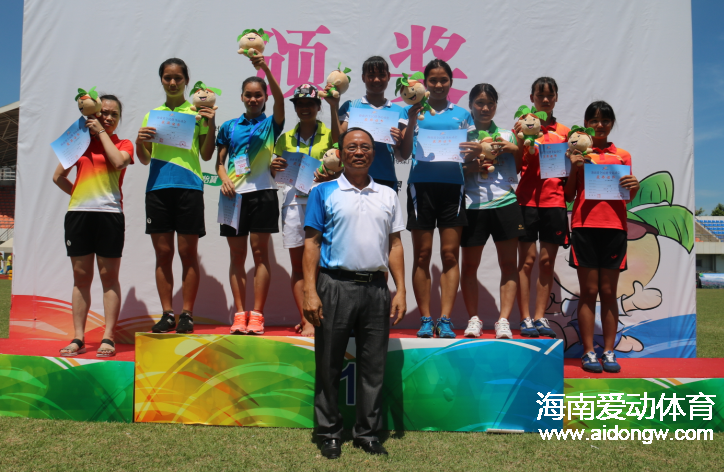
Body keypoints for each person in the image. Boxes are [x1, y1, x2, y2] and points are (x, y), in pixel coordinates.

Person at [303, 128, 406, 459]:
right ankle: (329, 431)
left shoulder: (388, 194)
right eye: (351, 147)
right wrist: (310, 290)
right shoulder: (323, 192)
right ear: (341, 153)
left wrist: (400, 289)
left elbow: (394, 245)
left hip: (376, 288)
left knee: (373, 365)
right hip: (334, 286)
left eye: (364, 147)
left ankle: (367, 432)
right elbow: (312, 243)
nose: (358, 152)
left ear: (373, 153)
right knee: (329, 362)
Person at [136, 58, 217, 334]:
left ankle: (187, 314)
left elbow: (206, 154)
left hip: (189, 187)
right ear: (161, 80)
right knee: (163, 253)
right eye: (167, 77)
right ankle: (167, 313)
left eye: (178, 78)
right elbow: (144, 159)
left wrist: (211, 122)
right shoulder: (153, 115)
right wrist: (140, 141)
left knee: (187, 252)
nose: (172, 82)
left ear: (186, 81)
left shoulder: (196, 111)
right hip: (157, 188)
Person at [399, 59, 476, 338]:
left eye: (444, 80)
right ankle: (424, 318)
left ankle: (445, 319)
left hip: (453, 188)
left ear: (451, 83)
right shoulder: (413, 112)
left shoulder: (463, 115)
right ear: (425, 83)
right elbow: (404, 154)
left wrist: (473, 152)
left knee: (449, 255)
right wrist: (410, 119)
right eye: (433, 80)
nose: (439, 85)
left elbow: (469, 154)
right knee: (421, 255)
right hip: (421, 188)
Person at [53, 95, 133, 357]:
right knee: (81, 278)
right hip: (79, 216)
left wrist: (101, 134)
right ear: (94, 114)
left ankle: (108, 337)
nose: (108, 118)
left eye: (114, 115)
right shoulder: (79, 144)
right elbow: (58, 177)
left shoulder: (124, 143)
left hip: (110, 215)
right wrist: (81, 195)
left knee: (109, 278)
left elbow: (119, 162)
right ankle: (78, 337)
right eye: (104, 113)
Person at [564, 101, 639, 373]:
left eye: (605, 120)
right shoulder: (577, 153)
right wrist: (574, 167)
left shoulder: (622, 156)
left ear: (611, 123)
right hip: (584, 227)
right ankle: (588, 352)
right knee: (589, 292)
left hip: (615, 229)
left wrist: (635, 185)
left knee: (608, 293)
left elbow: (628, 195)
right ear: (586, 124)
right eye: (594, 120)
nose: (599, 125)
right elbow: (569, 196)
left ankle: (608, 351)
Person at [216, 55, 284, 335]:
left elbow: (281, 100)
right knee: (236, 257)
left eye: (259, 95)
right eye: (249, 95)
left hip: (264, 194)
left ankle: (257, 315)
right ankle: (239, 313)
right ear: (242, 97)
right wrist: (224, 181)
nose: (254, 99)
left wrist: (265, 68)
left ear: (265, 97)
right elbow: (219, 162)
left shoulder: (271, 124)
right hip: (233, 197)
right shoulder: (229, 126)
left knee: (260, 255)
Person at [270, 83, 340, 337]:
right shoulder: (285, 138)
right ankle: (307, 319)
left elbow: (342, 163)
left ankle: (325, 317)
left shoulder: (330, 135)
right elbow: (275, 173)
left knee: (325, 266)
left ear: (318, 106)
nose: (304, 108)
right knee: (299, 267)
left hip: (324, 203)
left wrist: (330, 174)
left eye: (310, 103)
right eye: (300, 104)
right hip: (293, 203)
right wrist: (274, 166)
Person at [459, 84, 526, 338]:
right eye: (479, 103)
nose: (485, 108)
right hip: (472, 205)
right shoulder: (463, 135)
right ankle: (473, 319)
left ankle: (504, 321)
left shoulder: (508, 135)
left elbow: (518, 169)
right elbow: (456, 172)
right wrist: (470, 167)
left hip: (505, 203)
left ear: (496, 105)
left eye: (490, 103)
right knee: (470, 266)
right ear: (471, 105)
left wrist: (515, 149)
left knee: (509, 264)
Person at [515, 77, 570, 339]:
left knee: (547, 262)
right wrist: (518, 139)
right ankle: (525, 318)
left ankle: (540, 317)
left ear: (557, 97)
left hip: (554, 202)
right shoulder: (523, 126)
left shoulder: (567, 132)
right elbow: (515, 166)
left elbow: (570, 173)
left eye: (550, 95)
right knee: (526, 261)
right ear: (532, 97)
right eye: (540, 95)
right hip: (526, 201)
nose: (545, 99)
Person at [337, 56, 404, 191]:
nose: (377, 80)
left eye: (381, 75)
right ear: (363, 77)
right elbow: (337, 140)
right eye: (371, 75)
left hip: (386, 178)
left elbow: (401, 156)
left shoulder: (399, 111)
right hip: (352, 177)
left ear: (389, 76)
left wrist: (399, 142)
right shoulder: (351, 106)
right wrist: (334, 106)